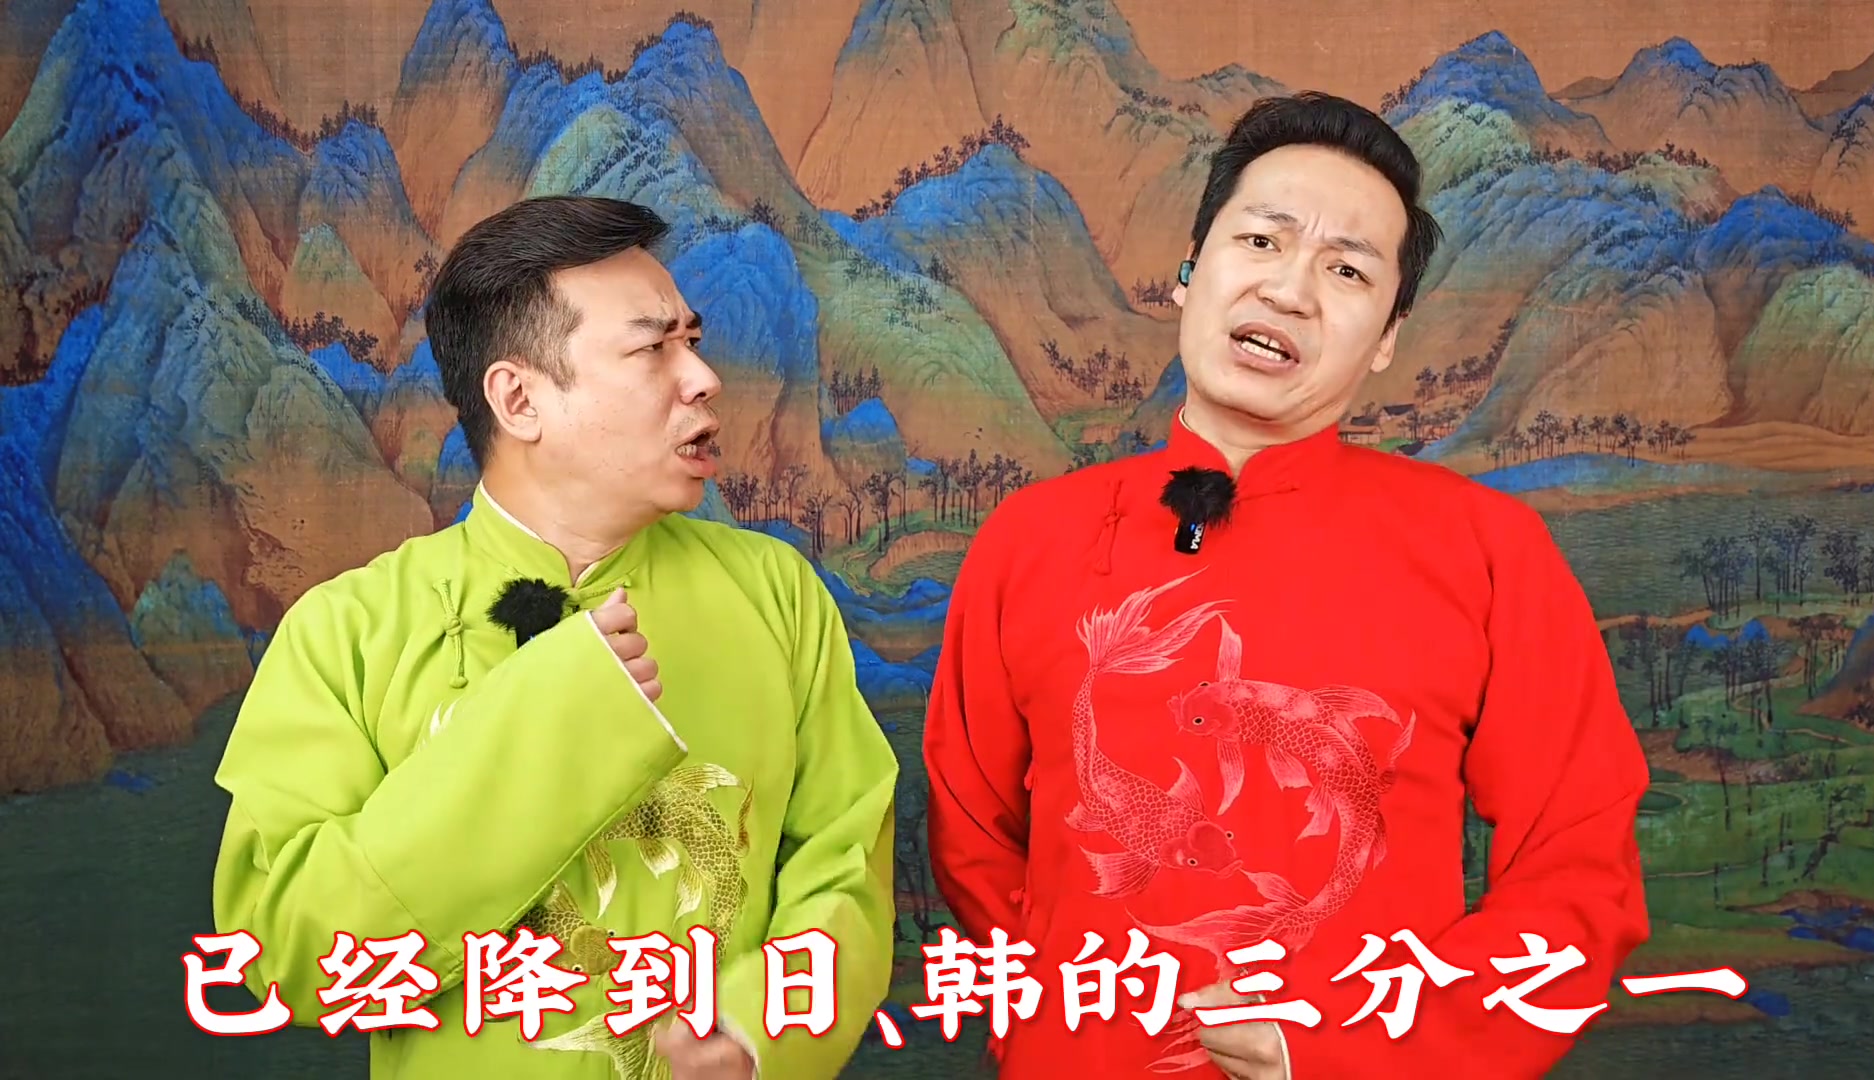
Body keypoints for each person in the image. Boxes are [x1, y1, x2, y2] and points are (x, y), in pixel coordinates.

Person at [923, 92, 1650, 1079]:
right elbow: (973, 842)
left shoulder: (1486, 548)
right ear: (1190, 271)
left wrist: (1345, 1048)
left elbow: (1580, 867)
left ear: (1387, 336)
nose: (1290, 290)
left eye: (1346, 270)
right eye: (1261, 241)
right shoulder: (1030, 538)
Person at [206, 195, 899, 1080]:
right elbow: (288, 949)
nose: (702, 377)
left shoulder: (774, 594)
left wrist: (756, 1033)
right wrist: (555, 715)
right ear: (520, 398)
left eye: (692, 340)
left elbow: (844, 864)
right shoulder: (349, 632)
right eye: (653, 349)